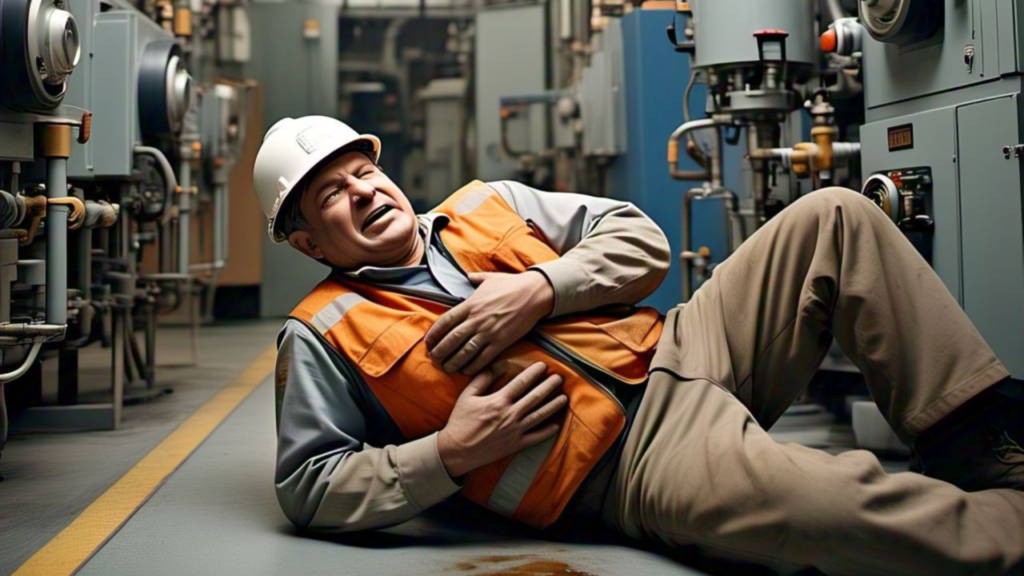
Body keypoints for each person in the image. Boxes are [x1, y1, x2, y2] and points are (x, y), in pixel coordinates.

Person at [253, 116, 1024, 576]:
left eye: (364, 172)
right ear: (305, 239)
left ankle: (978, 447)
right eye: (331, 195)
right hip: (628, 461)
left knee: (833, 216)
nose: (364, 192)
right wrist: (450, 454)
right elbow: (311, 484)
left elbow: (638, 239)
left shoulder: (487, 204)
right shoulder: (322, 332)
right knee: (829, 508)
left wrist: (541, 288)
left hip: (688, 344)